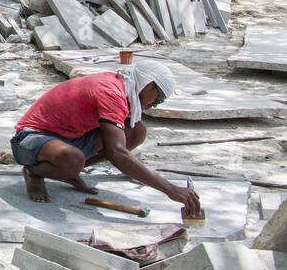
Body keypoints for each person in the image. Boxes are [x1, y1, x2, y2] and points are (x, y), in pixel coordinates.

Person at [12, 60, 201, 217]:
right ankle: (35, 172)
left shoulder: (121, 86)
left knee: (136, 131)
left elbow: (118, 147)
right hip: (29, 138)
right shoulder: (112, 92)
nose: (153, 105)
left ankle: (67, 170)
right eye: (157, 99)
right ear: (149, 85)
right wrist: (170, 189)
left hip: (66, 137)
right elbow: (116, 152)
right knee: (73, 159)